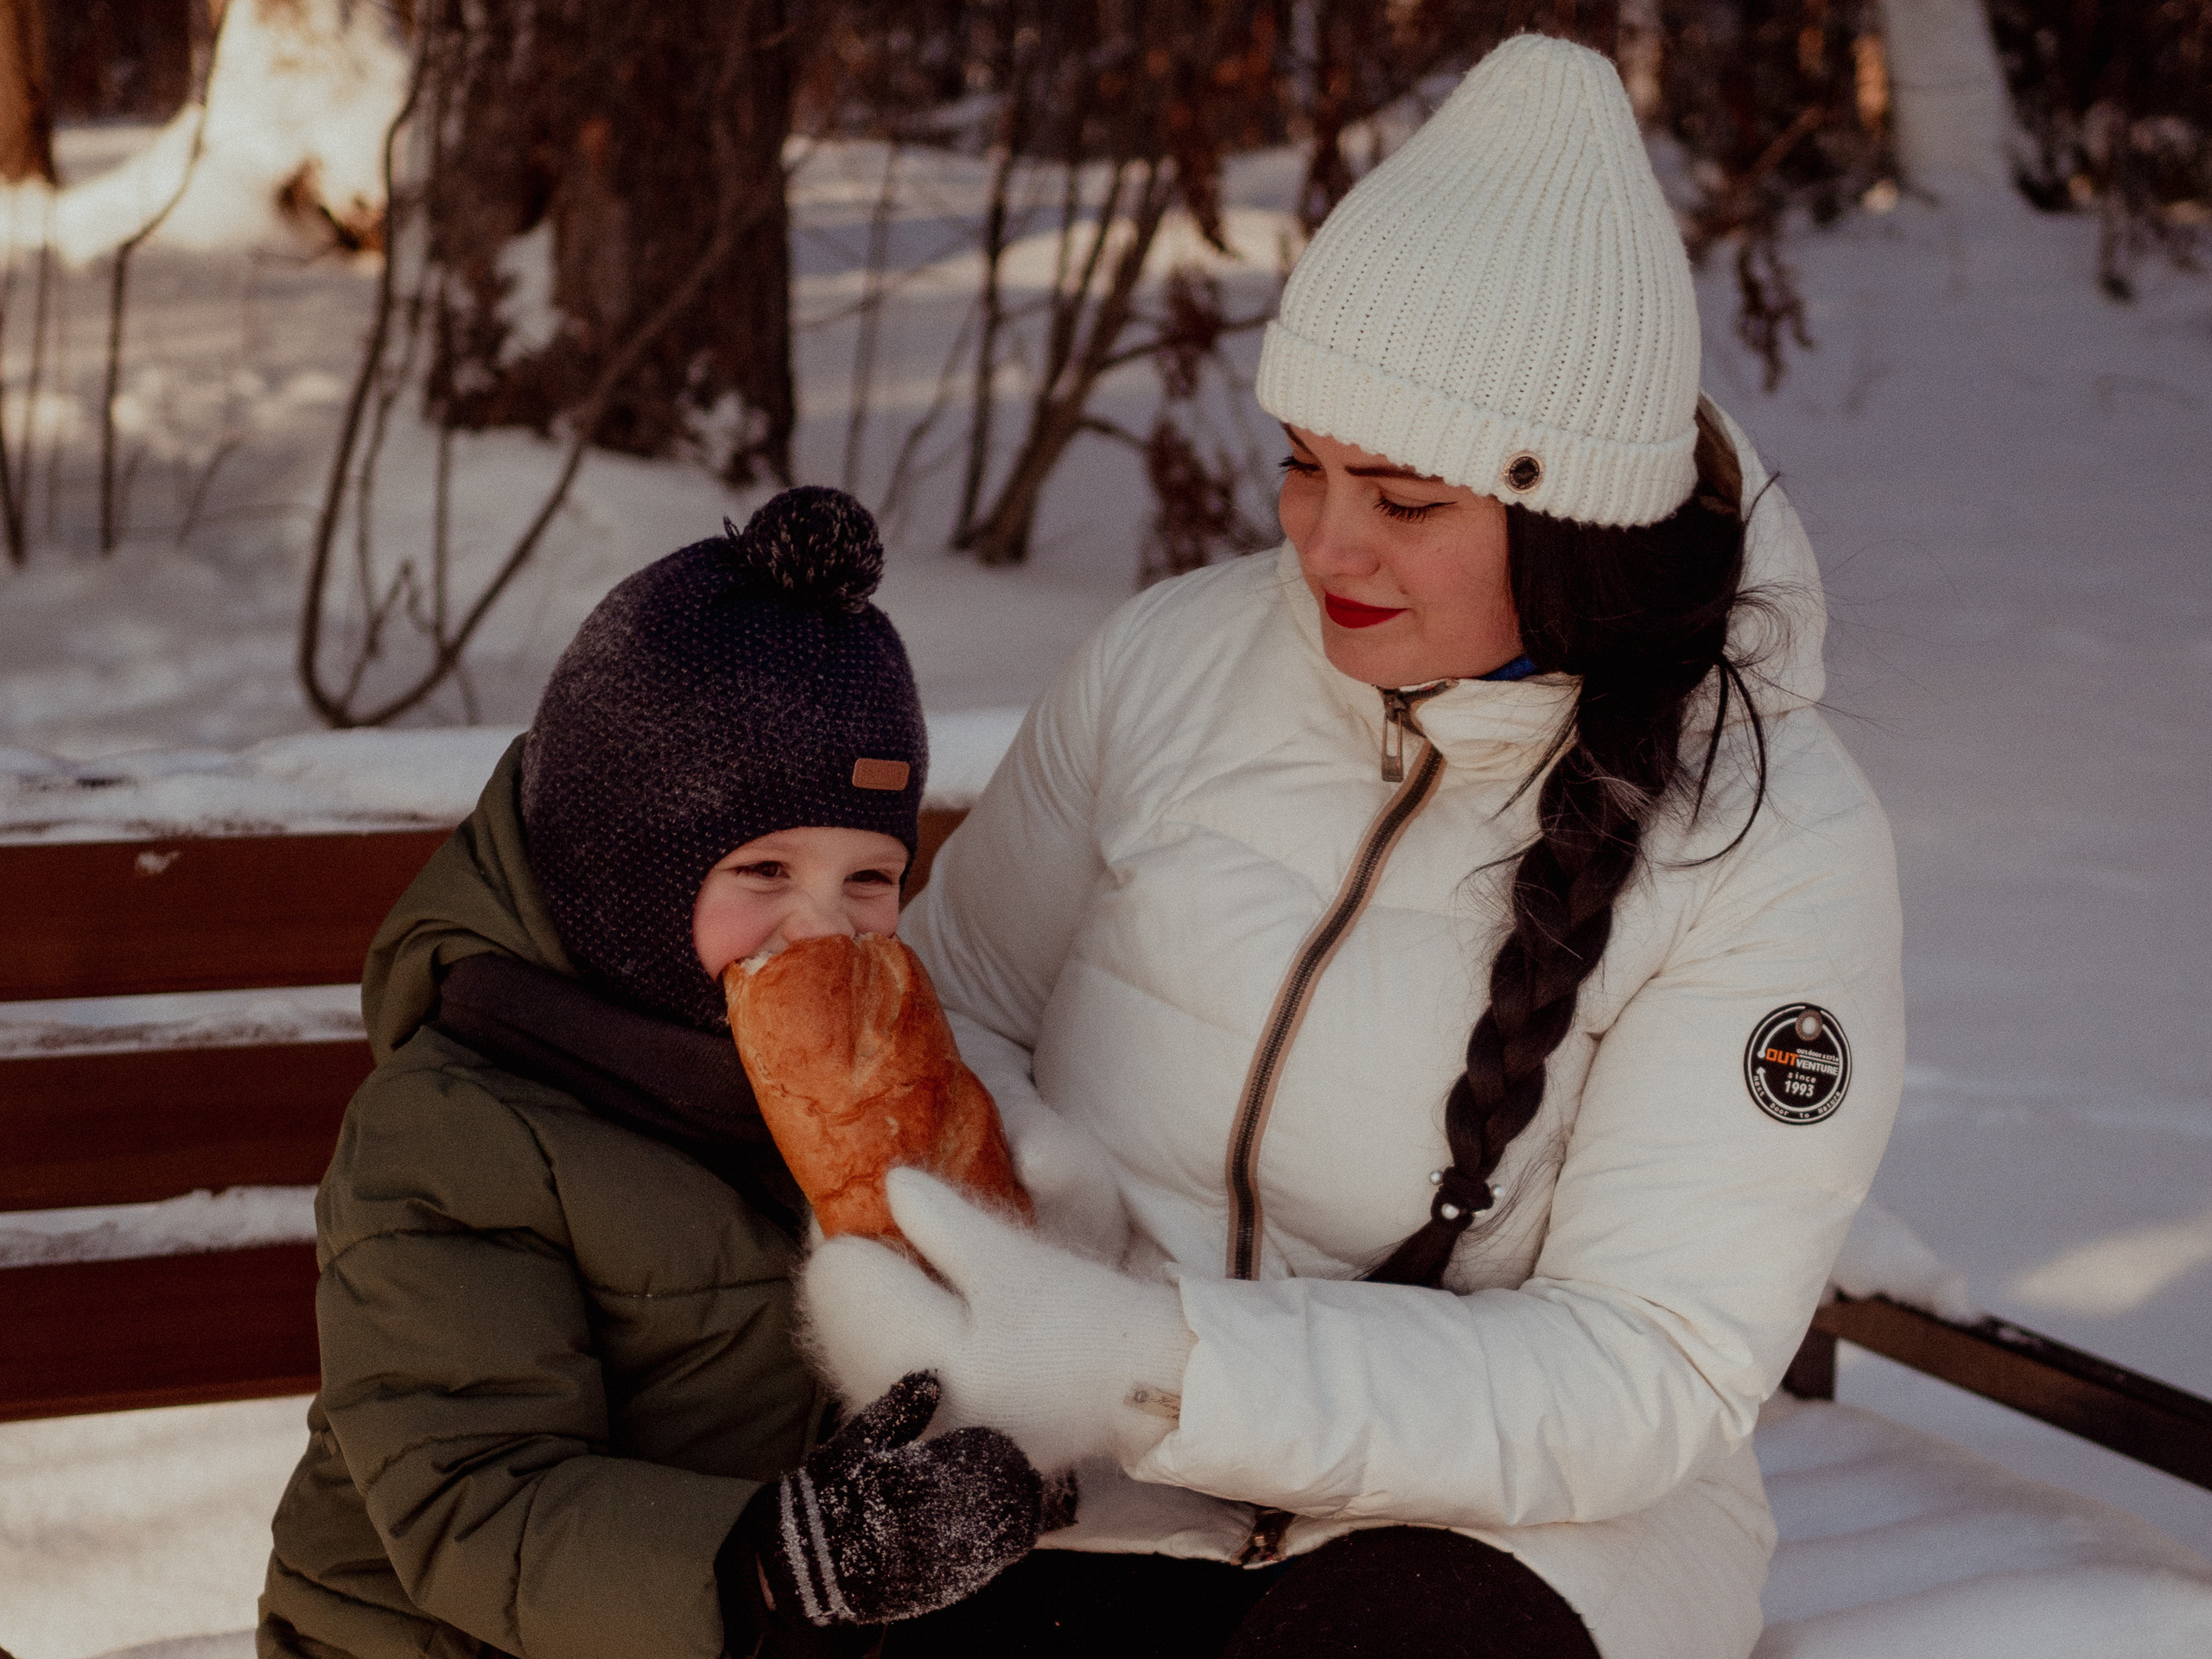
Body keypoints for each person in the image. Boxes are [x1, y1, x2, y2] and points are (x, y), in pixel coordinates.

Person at [797, 34, 1905, 1659]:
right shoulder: (1174, 660)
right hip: (1082, 1477)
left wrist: (1157, 1357)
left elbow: (1647, 1366)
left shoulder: (1769, 838)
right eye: (1302, 467)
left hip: (1514, 1534)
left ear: (1572, 517)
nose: (1323, 543)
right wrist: (1021, 1260)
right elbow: (953, 1016)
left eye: (1404, 499)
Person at [258, 488, 1056, 1659]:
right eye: (766, 870)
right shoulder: (456, 1132)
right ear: (622, 879)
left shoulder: (863, 1091)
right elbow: (473, 1501)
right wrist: (778, 1562)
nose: (818, 934)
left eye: (869, 880)